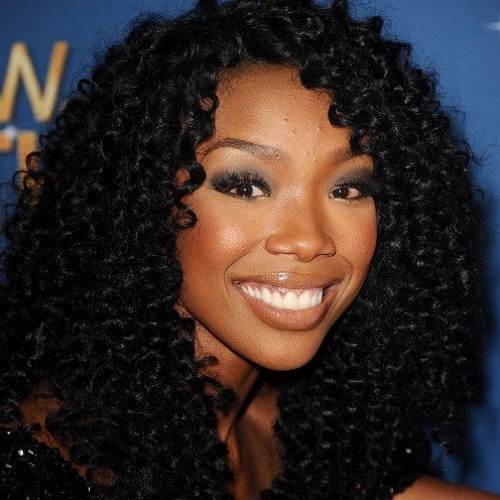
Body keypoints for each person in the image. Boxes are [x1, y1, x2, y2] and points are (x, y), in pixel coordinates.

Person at [0, 0, 497, 498]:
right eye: (245, 186)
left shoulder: (299, 429)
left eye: (348, 188)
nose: (309, 240)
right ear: (142, 202)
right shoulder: (46, 467)